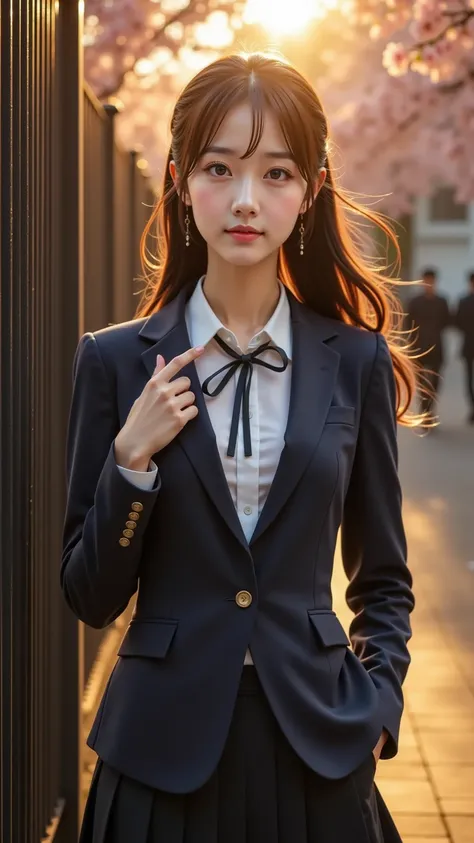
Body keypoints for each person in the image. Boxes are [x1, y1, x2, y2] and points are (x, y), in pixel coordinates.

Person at [61, 53, 417, 843]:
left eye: (277, 172)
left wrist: (380, 710)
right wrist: (131, 463)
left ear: (311, 189)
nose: (246, 200)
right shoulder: (118, 362)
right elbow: (89, 596)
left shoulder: (352, 361)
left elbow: (384, 580)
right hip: (158, 752)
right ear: (183, 182)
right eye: (220, 168)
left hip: (318, 744)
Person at [406, 268, 451, 420]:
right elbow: (408, 324)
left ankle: (429, 409)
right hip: (418, 347)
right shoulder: (414, 302)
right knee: (420, 382)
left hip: (436, 347)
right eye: (426, 281)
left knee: (436, 381)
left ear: (435, 282)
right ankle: (425, 411)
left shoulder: (442, 301)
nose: (428, 284)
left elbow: (447, 322)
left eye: (431, 281)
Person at [455, 271, 474, 423]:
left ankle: (472, 408)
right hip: (468, 345)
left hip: (468, 343)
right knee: (469, 378)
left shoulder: (464, 301)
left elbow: (458, 323)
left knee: (469, 378)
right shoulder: (463, 301)